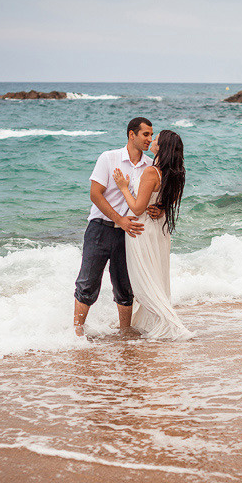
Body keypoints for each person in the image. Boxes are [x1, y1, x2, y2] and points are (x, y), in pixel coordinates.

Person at [73, 117, 161, 336]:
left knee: (124, 286)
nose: (149, 139)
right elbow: (95, 194)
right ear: (132, 135)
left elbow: (157, 197)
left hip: (130, 234)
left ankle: (124, 336)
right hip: (100, 229)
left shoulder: (150, 166)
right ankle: (76, 335)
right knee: (88, 283)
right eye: (145, 134)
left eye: (151, 135)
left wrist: (160, 209)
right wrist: (119, 220)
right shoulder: (109, 158)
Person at [112, 130, 193, 340]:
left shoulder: (151, 172)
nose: (152, 141)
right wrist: (163, 208)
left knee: (144, 281)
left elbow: (138, 209)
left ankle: (170, 324)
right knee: (155, 278)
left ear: (161, 147)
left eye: (156, 139)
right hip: (159, 230)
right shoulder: (177, 171)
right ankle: (152, 322)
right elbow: (171, 199)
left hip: (142, 229)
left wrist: (123, 188)